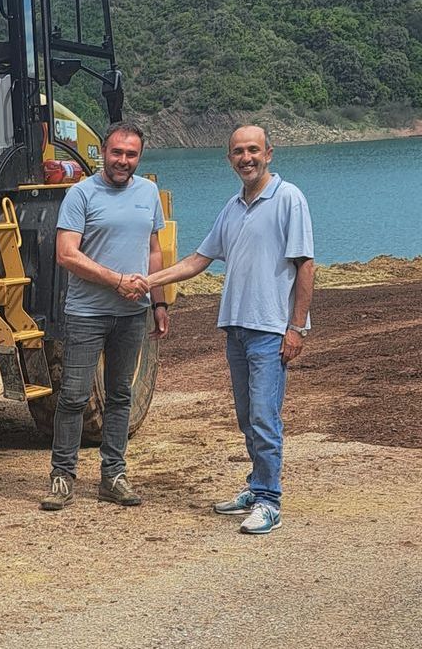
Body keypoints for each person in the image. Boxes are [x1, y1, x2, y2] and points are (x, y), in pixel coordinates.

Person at [146, 125, 314, 535]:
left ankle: (270, 501)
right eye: (238, 151)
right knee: (247, 415)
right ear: (229, 159)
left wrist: (297, 328)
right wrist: (148, 282)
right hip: (236, 328)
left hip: (270, 329)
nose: (246, 158)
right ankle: (257, 488)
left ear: (269, 153)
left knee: (264, 414)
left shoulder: (288, 198)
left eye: (253, 150)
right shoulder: (233, 206)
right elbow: (199, 259)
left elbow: (306, 265)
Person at [41, 120, 170, 511]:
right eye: (117, 153)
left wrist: (160, 303)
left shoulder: (148, 193)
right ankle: (62, 476)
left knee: (120, 395)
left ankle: (113, 475)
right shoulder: (81, 195)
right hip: (87, 313)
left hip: (133, 313)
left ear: (139, 156)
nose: (123, 161)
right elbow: (66, 255)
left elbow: (154, 253)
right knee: (75, 396)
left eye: (131, 155)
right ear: (103, 152)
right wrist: (116, 281)